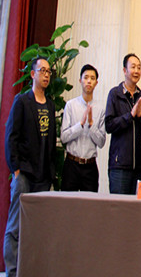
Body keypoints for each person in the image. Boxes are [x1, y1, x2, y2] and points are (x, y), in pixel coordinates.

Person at [4, 57, 56, 277]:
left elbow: (51, 140)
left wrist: (51, 172)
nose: (46, 75)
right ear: (33, 74)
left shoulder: (50, 104)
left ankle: (31, 270)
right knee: (16, 226)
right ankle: (12, 271)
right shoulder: (22, 101)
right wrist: (16, 169)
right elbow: (11, 137)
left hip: (43, 175)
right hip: (24, 173)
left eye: (48, 71)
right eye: (42, 70)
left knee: (37, 227)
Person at [105, 53, 141, 194]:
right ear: (125, 70)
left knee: (137, 207)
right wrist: (130, 116)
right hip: (119, 166)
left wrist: (140, 116)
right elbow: (109, 125)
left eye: (139, 67)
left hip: (139, 167)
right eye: (133, 67)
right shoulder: (114, 94)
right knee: (118, 206)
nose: (136, 71)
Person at [60, 64, 106, 192]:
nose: (89, 81)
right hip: (71, 164)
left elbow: (101, 142)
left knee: (90, 203)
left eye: (92, 78)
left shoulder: (100, 109)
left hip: (90, 167)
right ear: (80, 80)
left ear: (96, 83)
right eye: (86, 78)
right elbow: (63, 137)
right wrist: (80, 125)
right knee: (68, 202)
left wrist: (91, 124)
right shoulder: (70, 105)